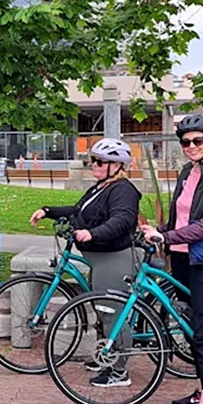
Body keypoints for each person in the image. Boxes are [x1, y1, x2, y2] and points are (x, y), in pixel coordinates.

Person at [142, 115, 203, 404]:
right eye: (186, 142)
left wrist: (166, 237)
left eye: (197, 140)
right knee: (191, 327)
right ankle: (202, 390)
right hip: (182, 260)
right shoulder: (187, 172)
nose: (191, 146)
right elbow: (182, 219)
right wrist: (160, 230)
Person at [29, 138, 141, 387]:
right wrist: (48, 211)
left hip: (114, 257)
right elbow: (78, 210)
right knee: (102, 309)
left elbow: (122, 220)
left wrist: (93, 233)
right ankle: (107, 356)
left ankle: (119, 372)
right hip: (99, 258)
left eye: (101, 162)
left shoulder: (123, 190)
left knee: (113, 313)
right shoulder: (102, 186)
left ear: (117, 165)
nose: (95, 165)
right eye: (93, 160)